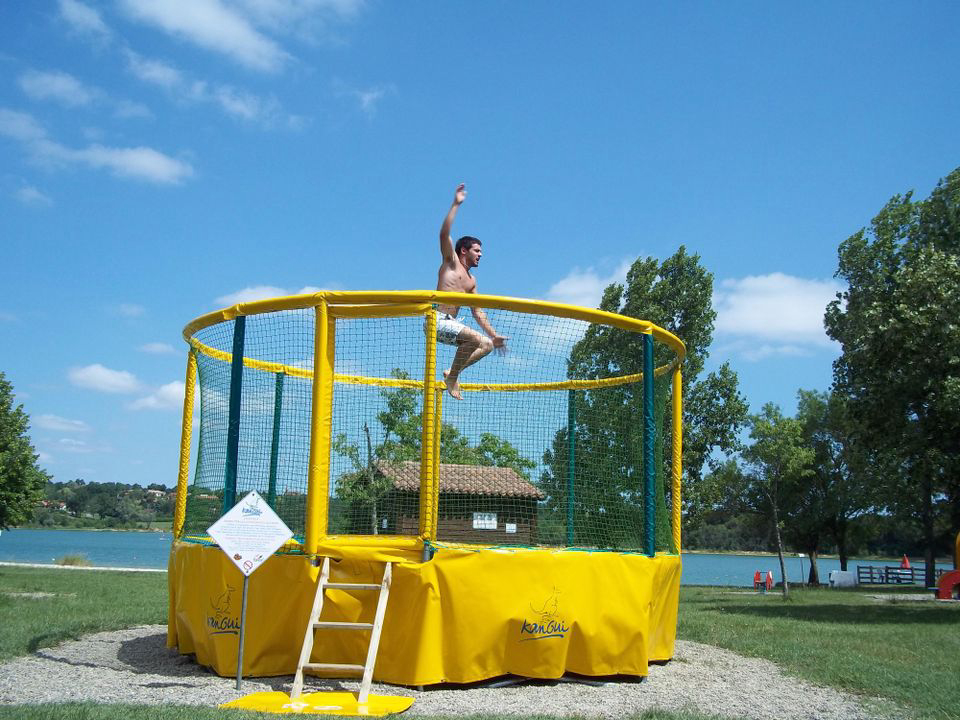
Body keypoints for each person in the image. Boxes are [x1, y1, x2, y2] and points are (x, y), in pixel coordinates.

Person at [434, 183, 507, 400]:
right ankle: (452, 377)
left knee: (486, 345)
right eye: (477, 250)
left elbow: (478, 312)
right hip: (436, 320)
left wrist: (495, 336)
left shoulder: (472, 281)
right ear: (464, 250)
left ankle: (452, 374)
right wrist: (456, 204)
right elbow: (444, 233)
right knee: (476, 340)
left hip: (452, 324)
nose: (481, 255)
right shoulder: (451, 262)